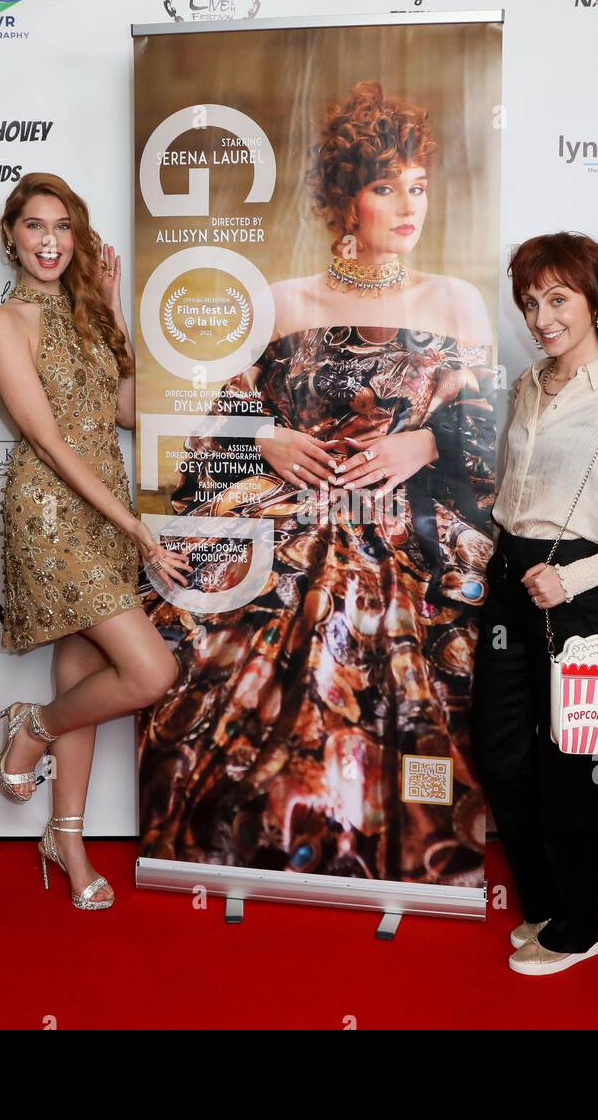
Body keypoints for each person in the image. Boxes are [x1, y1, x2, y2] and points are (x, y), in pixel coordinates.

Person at [137, 81, 498, 883]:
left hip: (410, 527)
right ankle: (259, 837)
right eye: (383, 185)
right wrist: (266, 435)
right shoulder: (280, 302)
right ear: (344, 200)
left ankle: (407, 846)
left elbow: (489, 437)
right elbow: (214, 433)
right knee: (196, 621)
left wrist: (425, 448)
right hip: (288, 513)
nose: (408, 204)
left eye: (418, 184)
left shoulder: (456, 300)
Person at [0, 173, 190, 911]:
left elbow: (126, 410)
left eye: (63, 228)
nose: (50, 242)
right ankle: (28, 729)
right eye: (36, 226)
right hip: (52, 510)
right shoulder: (5, 322)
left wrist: (117, 312)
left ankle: (64, 838)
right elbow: (48, 439)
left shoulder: (86, 312)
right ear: (12, 235)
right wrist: (134, 525)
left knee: (83, 684)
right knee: (149, 671)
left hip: (106, 506)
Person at [473, 232, 598, 976]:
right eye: (530, 302)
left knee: (573, 767)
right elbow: (512, 496)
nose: (541, 317)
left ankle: (581, 924)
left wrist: (575, 578)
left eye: (557, 299)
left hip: (582, 599)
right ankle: (548, 902)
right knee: (501, 753)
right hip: (510, 584)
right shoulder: (529, 387)